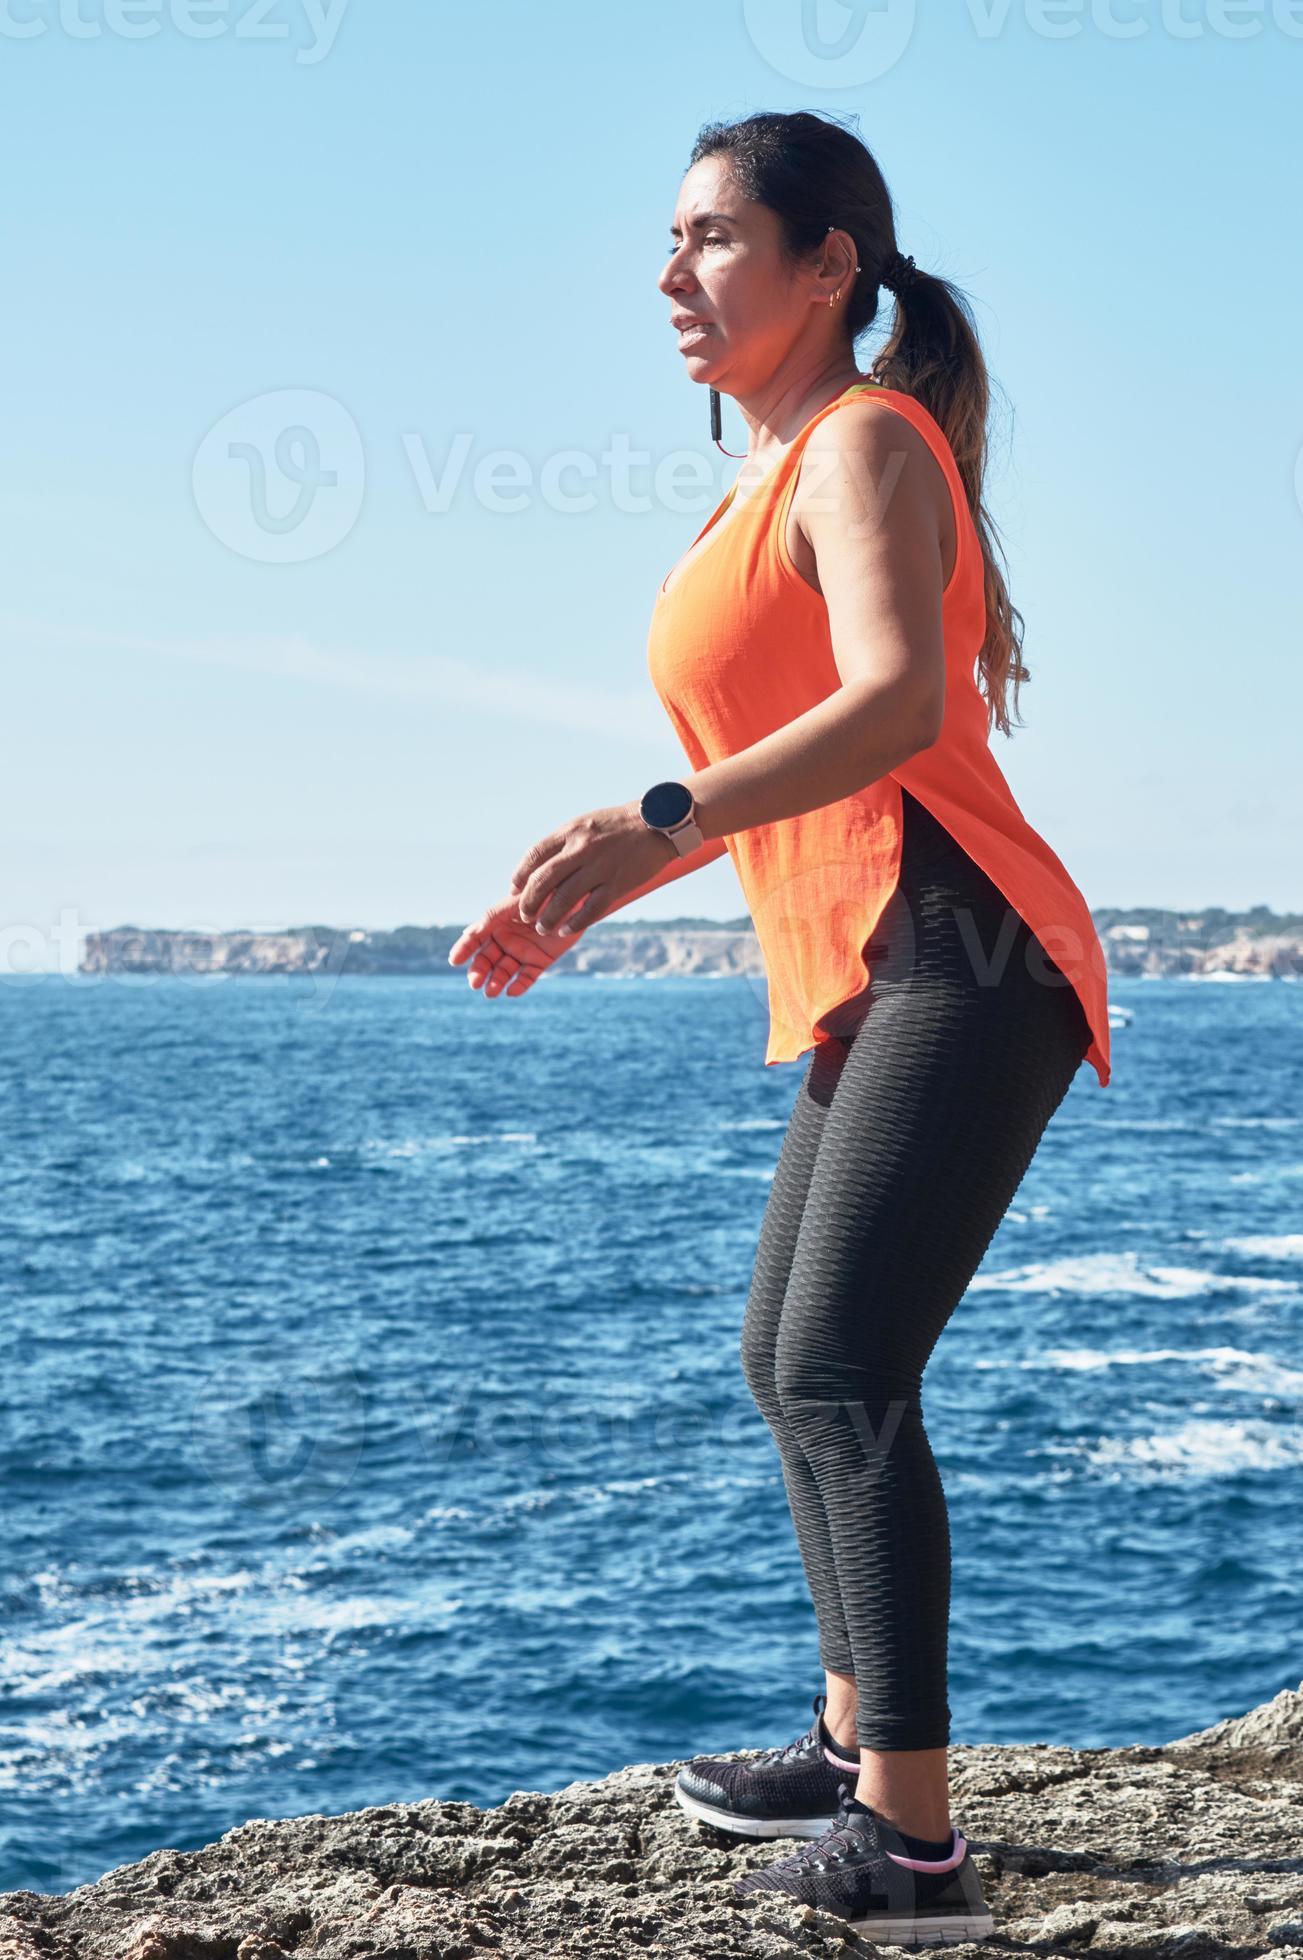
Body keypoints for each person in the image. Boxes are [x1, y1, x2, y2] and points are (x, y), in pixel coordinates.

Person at [448, 108, 1111, 1945]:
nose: (673, 275)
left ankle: (914, 1845)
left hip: (969, 949)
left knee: (838, 1369)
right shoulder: (760, 483)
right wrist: (603, 877)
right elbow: (780, 781)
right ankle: (846, 1738)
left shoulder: (867, 442)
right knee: (785, 1360)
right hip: (872, 959)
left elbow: (899, 706)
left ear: (833, 267)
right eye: (667, 243)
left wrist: (657, 817)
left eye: (716, 239)